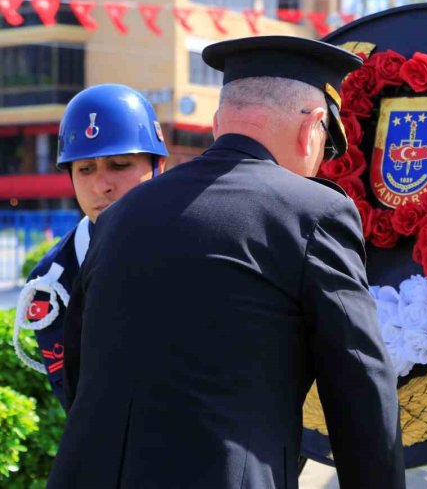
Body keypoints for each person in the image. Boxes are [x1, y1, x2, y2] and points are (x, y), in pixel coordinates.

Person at [47, 36, 405, 489]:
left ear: (219, 124)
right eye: (326, 145)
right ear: (313, 127)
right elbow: (361, 390)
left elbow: (80, 373)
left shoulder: (118, 217)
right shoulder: (313, 213)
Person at [13, 84, 168, 410]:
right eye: (85, 169)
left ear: (159, 167)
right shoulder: (53, 283)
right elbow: (82, 404)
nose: (102, 185)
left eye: (120, 164)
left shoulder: (204, 246)